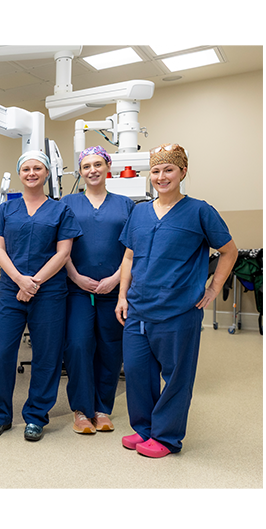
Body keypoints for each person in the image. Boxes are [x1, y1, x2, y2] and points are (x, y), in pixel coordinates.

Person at [115, 143, 238, 458]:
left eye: (168, 169)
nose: (161, 176)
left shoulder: (199, 211)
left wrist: (213, 288)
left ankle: (167, 437)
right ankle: (144, 430)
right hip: (139, 308)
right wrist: (122, 295)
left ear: (183, 172)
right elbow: (129, 256)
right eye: (155, 171)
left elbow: (229, 251)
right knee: (139, 373)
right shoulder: (139, 211)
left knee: (176, 377)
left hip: (178, 310)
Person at [0, 151, 82, 442]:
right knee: (2, 354)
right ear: (19, 173)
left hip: (49, 292)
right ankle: (0, 415)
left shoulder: (61, 210)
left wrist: (35, 281)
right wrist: (20, 280)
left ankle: (36, 416)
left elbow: (63, 252)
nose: (31, 173)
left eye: (37, 168)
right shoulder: (5, 210)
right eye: (25, 168)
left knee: (46, 356)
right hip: (12, 291)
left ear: (47, 173)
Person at [61, 146, 135, 435]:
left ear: (108, 168)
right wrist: (77, 277)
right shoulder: (67, 204)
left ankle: (102, 408)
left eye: (98, 164)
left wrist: (117, 280)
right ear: (80, 172)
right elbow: (60, 246)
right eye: (86, 166)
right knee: (78, 346)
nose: (92, 170)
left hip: (114, 290)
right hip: (78, 289)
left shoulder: (125, 205)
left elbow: (132, 248)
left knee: (110, 348)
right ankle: (81, 409)